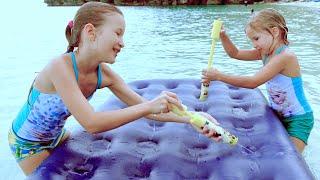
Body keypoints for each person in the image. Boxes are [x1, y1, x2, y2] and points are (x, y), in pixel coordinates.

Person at [8, 2, 218, 175]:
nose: (122, 43)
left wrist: (193, 118)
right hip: (27, 144)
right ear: (91, 31)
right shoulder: (60, 67)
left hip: (58, 135)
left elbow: (150, 110)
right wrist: (149, 107)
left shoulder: (104, 74)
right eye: (118, 33)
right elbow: (91, 123)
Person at [201, 8, 313, 153]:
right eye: (251, 40)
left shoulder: (285, 57)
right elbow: (235, 53)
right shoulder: (265, 53)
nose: (254, 44)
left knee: (291, 158)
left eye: (256, 38)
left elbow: (253, 82)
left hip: (299, 120)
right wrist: (223, 36)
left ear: (274, 32)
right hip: (279, 115)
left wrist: (219, 76)